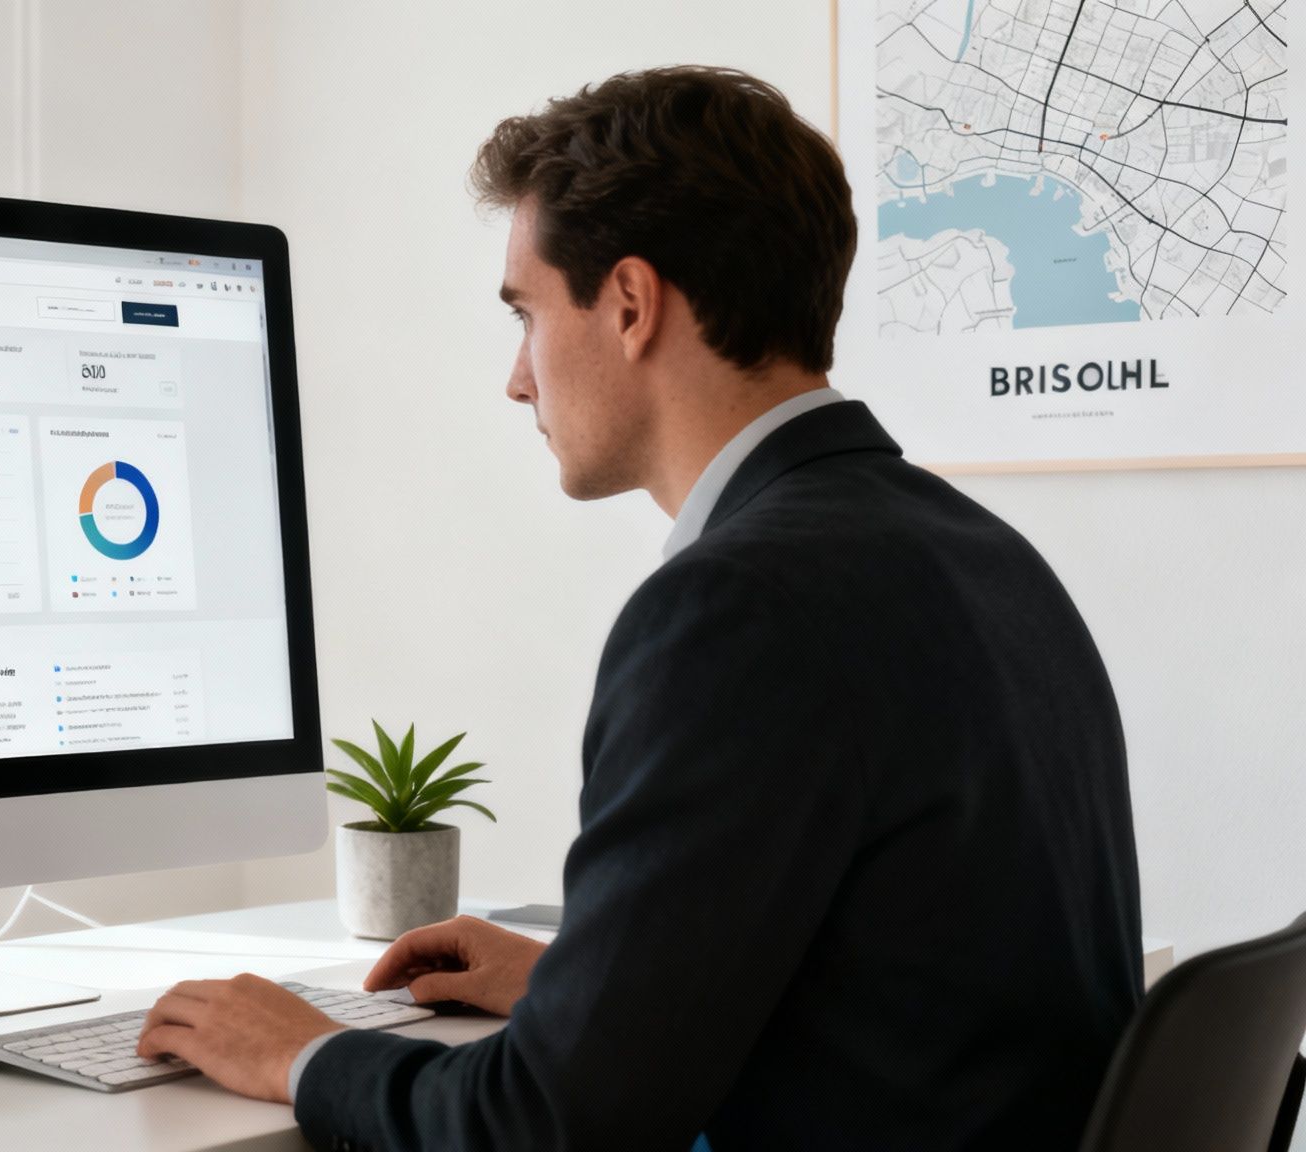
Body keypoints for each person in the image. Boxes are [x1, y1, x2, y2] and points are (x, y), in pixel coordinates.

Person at [136, 66, 1142, 1151]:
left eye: (524, 313)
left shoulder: (735, 611)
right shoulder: (978, 555)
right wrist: (586, 990)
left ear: (627, 303)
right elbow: (899, 985)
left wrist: (301, 1052)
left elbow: (546, 1128)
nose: (516, 380)